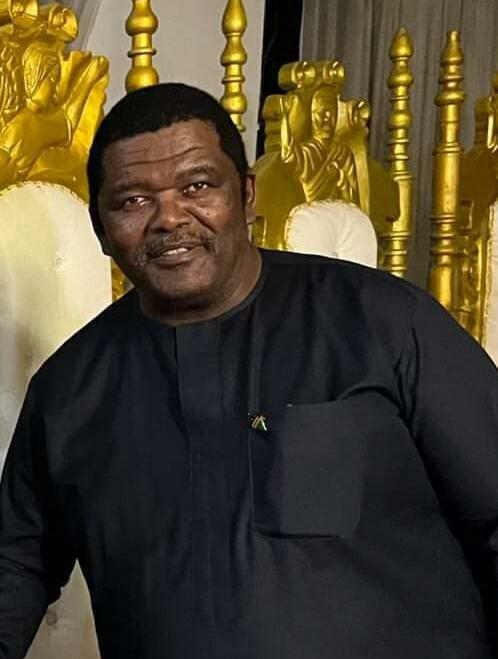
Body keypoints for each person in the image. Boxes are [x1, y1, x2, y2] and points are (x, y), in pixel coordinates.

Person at [0, 82, 497, 659]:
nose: (169, 218)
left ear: (246, 194)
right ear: (101, 230)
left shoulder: (381, 321)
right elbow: (18, 564)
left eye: (197, 186)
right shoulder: (69, 389)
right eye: (133, 200)